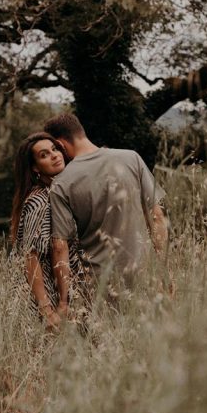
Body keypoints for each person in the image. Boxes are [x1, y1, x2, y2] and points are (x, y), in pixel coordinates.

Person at [44, 113, 168, 304]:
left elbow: (60, 245)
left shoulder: (61, 183)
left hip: (100, 287)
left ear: (60, 144)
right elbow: (157, 216)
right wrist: (163, 270)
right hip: (146, 277)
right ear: (81, 131)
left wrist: (63, 301)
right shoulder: (131, 158)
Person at [10, 132, 86, 330]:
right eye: (44, 155)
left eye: (55, 149)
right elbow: (30, 256)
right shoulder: (39, 200)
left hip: (62, 294)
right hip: (44, 296)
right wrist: (46, 310)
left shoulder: (58, 192)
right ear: (35, 168)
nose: (54, 155)